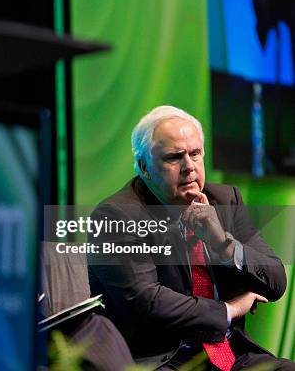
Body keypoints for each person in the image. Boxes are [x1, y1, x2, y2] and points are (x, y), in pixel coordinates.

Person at [87, 106, 293, 370]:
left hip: (231, 354)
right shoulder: (116, 216)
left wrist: (224, 245)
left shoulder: (224, 199)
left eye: (195, 154)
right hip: (165, 358)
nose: (188, 167)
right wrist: (229, 310)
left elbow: (275, 281)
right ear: (144, 167)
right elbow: (148, 303)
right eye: (174, 157)